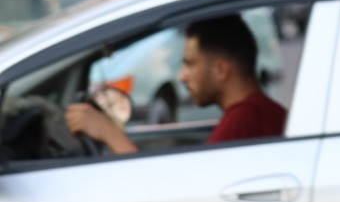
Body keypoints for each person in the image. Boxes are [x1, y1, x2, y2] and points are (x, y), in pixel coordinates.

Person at [66, 14, 287, 155]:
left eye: (190, 64)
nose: (182, 76)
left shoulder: (243, 122)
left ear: (221, 69)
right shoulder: (262, 114)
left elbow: (175, 194)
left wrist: (108, 133)